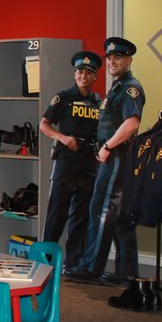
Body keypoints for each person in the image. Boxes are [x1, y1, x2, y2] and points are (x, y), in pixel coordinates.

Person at [68, 37, 145, 285]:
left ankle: (91, 268)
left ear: (128, 60)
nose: (112, 62)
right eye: (109, 58)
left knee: (102, 210)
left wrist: (108, 146)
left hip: (116, 156)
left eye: (117, 58)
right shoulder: (117, 87)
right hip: (113, 156)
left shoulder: (130, 88)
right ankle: (126, 272)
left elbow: (132, 123)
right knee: (119, 215)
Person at [39, 50, 101, 273]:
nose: (83, 76)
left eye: (88, 73)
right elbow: (44, 124)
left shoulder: (98, 102)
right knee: (57, 212)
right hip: (66, 161)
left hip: (89, 163)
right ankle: (45, 261)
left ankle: (73, 264)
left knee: (81, 215)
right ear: (75, 74)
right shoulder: (63, 97)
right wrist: (63, 138)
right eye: (80, 72)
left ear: (94, 77)